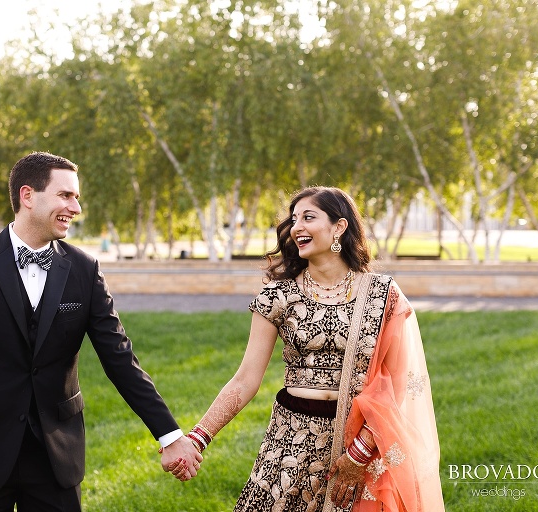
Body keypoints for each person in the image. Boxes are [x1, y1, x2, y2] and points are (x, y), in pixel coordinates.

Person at [0, 151, 201, 512]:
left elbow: (120, 359)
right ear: (28, 196)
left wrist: (170, 436)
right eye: (66, 195)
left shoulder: (84, 270)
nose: (76, 207)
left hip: (56, 454)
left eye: (76, 197)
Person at [181, 186, 444, 511]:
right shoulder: (278, 295)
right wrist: (198, 437)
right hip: (290, 443)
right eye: (294, 220)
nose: (297, 227)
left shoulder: (381, 295)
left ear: (339, 227)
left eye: (308, 217)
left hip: (358, 443)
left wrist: (359, 454)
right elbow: (245, 380)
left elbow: (396, 385)